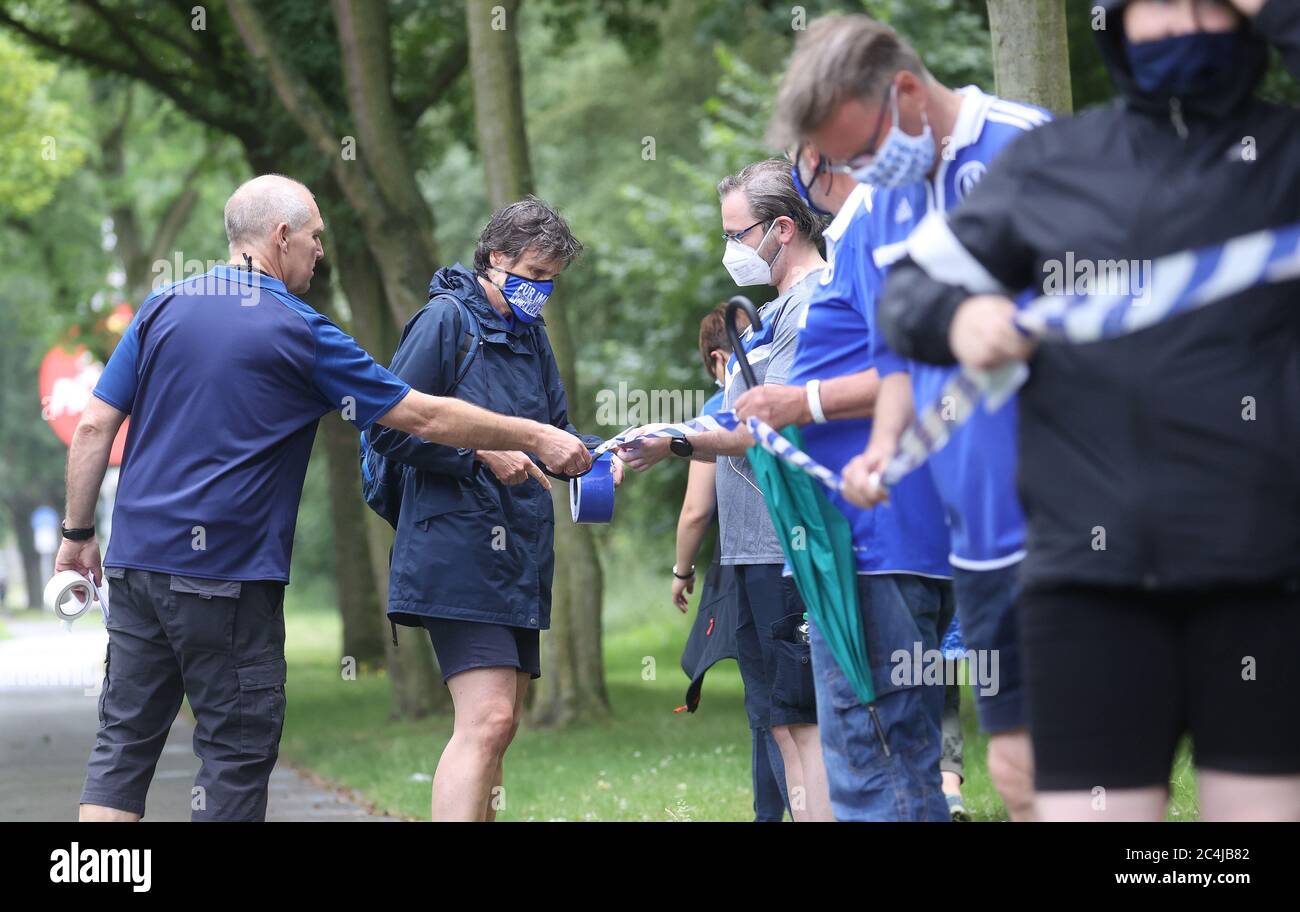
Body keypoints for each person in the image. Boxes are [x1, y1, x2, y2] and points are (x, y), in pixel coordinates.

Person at [874, 0, 1300, 821]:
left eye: (1209, 1)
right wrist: (959, 317)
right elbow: (908, 292)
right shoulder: (1055, 162)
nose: (1183, 21)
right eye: (1159, 4)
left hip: (1265, 578)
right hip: (1090, 582)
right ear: (1114, 21)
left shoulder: (1284, 153)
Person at [60, 175, 590, 823]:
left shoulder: (161, 308)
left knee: (122, 750)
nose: (320, 253)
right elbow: (414, 417)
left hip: (136, 566)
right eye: (315, 238)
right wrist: (529, 435)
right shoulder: (302, 330)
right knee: (232, 755)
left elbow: (92, 427)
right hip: (230, 576)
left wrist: (77, 533)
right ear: (280, 236)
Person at [766, 15, 1051, 820]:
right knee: (1021, 773)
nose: (858, 172)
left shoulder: (1029, 147)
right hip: (981, 529)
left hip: (1074, 511)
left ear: (905, 91)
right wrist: (883, 451)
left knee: (1088, 761)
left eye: (859, 151)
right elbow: (897, 358)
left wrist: (1024, 329)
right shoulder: (889, 205)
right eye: (842, 161)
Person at [368, 197, 617, 822]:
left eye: (551, 279)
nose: (542, 289)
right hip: (455, 549)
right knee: (489, 718)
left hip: (521, 554)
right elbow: (387, 427)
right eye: (533, 274)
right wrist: (480, 449)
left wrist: (612, 453)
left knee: (500, 730)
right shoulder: (446, 321)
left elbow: (555, 434)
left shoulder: (532, 338)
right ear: (496, 258)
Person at [620, 160, 832, 821]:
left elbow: (773, 423)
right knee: (780, 725)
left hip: (794, 547)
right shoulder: (767, 318)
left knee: (809, 727)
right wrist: (660, 434)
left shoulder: (819, 305)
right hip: (749, 559)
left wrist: (676, 443)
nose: (728, 250)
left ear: (783, 228)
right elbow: (729, 415)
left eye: (735, 234)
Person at [672, 304, 788, 822]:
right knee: (796, 703)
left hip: (754, 561)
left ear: (719, 358)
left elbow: (697, 510)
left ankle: (773, 813)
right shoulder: (788, 384)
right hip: (800, 553)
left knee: (770, 707)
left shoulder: (721, 407)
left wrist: (682, 571)